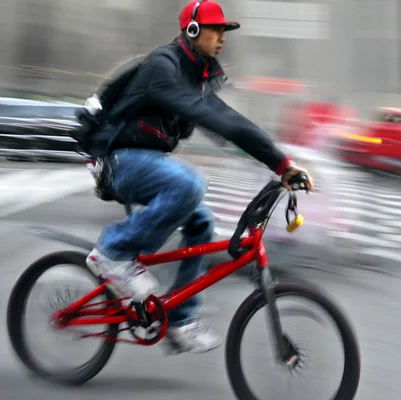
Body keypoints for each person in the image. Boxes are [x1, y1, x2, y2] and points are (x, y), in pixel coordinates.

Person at [82, 0, 315, 355]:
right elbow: (211, 118)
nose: (222, 38)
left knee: (202, 225)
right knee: (188, 184)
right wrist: (279, 164)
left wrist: (280, 165)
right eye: (215, 30)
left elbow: (228, 124)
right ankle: (113, 252)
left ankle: (179, 320)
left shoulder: (196, 78)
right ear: (192, 31)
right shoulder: (164, 66)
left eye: (224, 31)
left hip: (145, 164)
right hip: (118, 161)